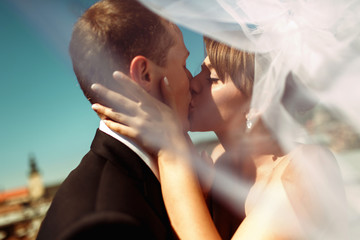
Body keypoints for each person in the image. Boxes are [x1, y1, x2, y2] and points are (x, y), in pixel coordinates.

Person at [91, 36, 348, 239]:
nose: (193, 83)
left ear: (259, 102)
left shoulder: (307, 168)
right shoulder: (219, 161)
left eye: (212, 78)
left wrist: (171, 150)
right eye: (201, 70)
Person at [36, 0, 192, 239]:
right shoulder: (102, 226)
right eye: (183, 65)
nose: (192, 80)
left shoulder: (153, 168)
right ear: (145, 74)